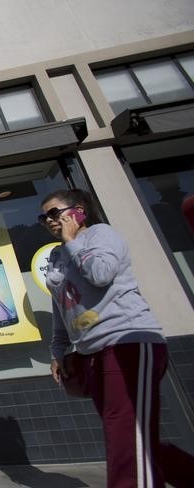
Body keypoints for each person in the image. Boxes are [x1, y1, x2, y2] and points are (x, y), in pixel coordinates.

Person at [40, 188, 193, 488]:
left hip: (128, 342)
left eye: (54, 213)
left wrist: (73, 241)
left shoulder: (101, 235)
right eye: (43, 216)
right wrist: (58, 352)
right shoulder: (57, 256)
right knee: (126, 436)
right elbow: (61, 307)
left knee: (126, 438)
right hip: (90, 352)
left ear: (79, 211)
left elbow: (101, 273)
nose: (48, 220)